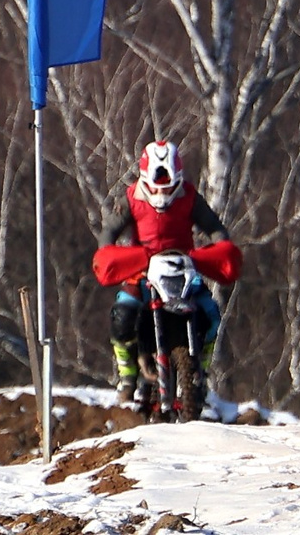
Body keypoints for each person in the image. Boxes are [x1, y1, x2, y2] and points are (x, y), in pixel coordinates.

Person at [104, 139, 229, 412]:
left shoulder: (189, 197)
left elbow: (214, 226)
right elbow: (110, 231)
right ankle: (127, 376)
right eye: (157, 184)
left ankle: (201, 373)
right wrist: (109, 252)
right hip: (141, 272)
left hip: (183, 270)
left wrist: (220, 247)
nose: (163, 192)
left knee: (211, 313)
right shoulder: (131, 198)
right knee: (123, 315)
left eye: (169, 184)